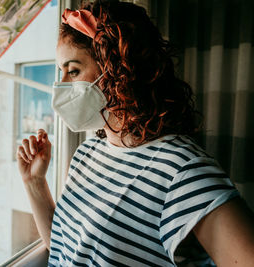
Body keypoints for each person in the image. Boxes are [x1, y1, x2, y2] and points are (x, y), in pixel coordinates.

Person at [16, 1, 254, 266]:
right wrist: (34, 182)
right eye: (60, 71)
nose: (60, 85)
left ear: (119, 69)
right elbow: (65, 248)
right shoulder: (87, 153)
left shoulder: (182, 171)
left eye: (73, 70)